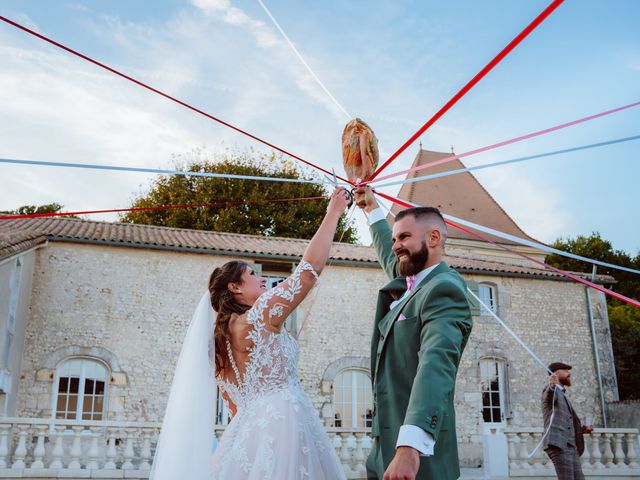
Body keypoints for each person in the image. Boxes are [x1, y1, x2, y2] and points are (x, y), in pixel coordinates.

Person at [150, 187, 350, 480]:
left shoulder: (217, 343)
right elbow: (308, 273)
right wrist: (334, 212)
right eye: (253, 274)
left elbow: (234, 407)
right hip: (284, 424)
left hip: (246, 436)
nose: (263, 278)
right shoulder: (259, 315)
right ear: (235, 287)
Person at [357, 188, 473, 480]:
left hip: (419, 460)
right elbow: (390, 254)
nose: (396, 245)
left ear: (434, 238)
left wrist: (410, 447)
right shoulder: (414, 282)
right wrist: (372, 209)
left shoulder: (444, 289)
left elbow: (436, 364)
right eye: (395, 238)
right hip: (383, 449)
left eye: (404, 237)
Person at [541, 362, 592, 480]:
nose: (569, 373)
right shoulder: (551, 391)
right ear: (556, 373)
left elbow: (566, 423)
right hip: (559, 444)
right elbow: (549, 394)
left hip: (571, 446)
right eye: (565, 370)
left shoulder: (563, 395)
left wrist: (581, 429)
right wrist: (552, 385)